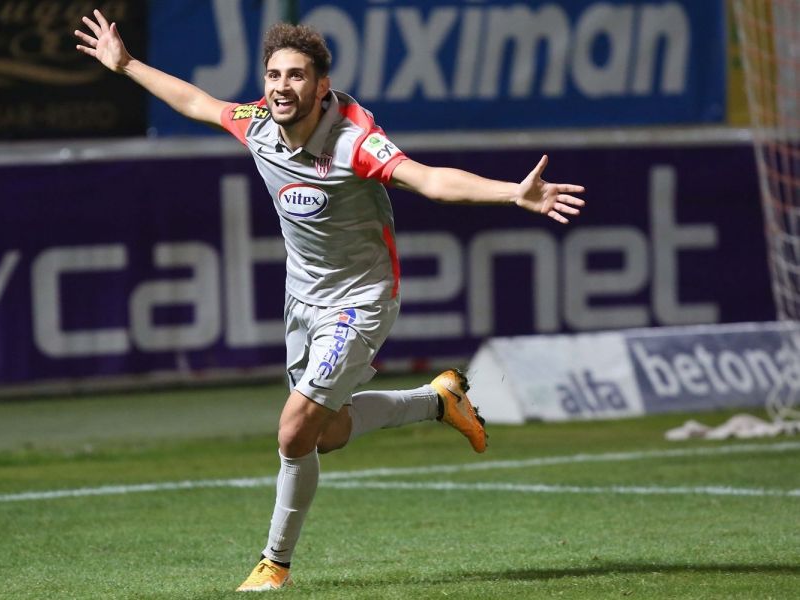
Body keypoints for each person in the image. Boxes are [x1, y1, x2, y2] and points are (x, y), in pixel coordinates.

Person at [75, 10, 585, 592]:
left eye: (295, 76)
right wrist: (126, 64)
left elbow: (430, 180)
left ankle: (275, 564)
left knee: (293, 430)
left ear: (321, 87)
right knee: (328, 433)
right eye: (273, 75)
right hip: (303, 300)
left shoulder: (354, 144)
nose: (280, 87)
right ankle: (438, 401)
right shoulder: (258, 124)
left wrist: (513, 193)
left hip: (361, 299)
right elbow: (198, 103)